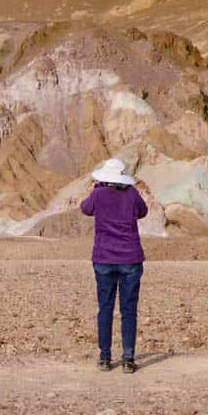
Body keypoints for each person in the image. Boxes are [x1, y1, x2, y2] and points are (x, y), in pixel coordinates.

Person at [80, 158, 147, 373]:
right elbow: (143, 211)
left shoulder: (98, 194)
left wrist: (97, 188)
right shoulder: (132, 194)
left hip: (104, 258)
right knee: (129, 310)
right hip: (130, 258)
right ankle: (128, 358)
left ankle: (105, 357)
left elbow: (85, 209)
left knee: (105, 308)